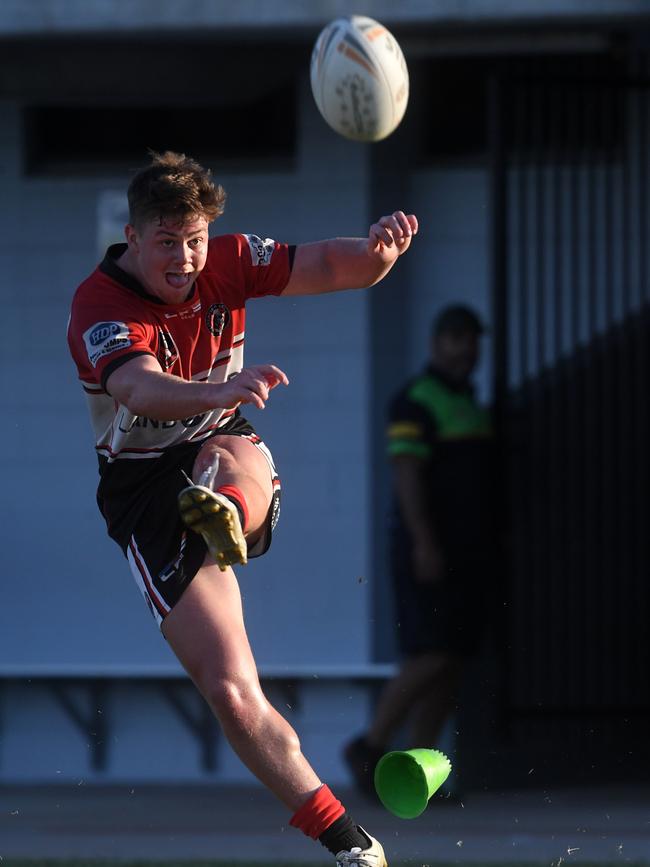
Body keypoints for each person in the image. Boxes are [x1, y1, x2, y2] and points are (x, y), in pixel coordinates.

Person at [67, 150, 418, 867]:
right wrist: (216, 391)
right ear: (132, 239)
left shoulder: (228, 259)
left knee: (224, 458)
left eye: (195, 238)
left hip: (219, 441)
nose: (186, 257)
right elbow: (138, 388)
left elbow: (323, 265)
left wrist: (378, 256)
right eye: (168, 241)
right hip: (142, 490)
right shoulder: (99, 305)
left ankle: (223, 508)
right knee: (231, 689)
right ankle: (353, 844)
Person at [344, 304, 495, 798]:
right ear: (436, 343)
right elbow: (406, 474)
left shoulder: (469, 401)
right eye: (454, 337)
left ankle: (419, 775)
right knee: (428, 653)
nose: (464, 347)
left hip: (468, 552)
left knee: (451, 659)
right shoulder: (415, 400)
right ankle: (369, 746)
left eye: (471, 338)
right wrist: (424, 542)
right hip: (426, 549)